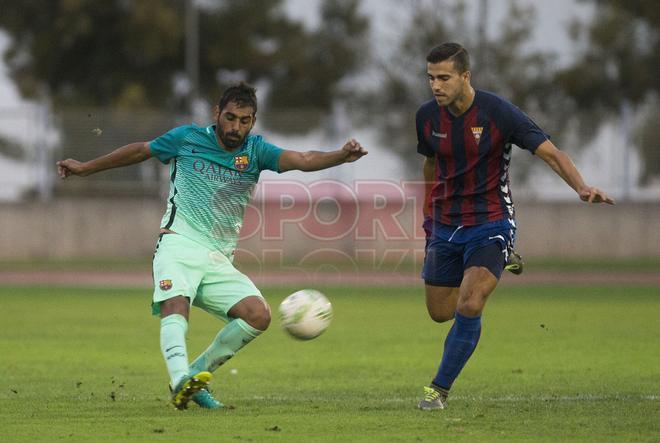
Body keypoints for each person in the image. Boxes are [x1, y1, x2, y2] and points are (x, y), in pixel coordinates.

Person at [56, 82, 367, 410]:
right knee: (176, 306)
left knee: (257, 315)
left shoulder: (257, 152)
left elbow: (302, 158)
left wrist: (340, 157)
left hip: (218, 258)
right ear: (216, 113)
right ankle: (179, 380)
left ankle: (194, 376)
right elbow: (139, 150)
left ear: (253, 121)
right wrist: (86, 168)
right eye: (230, 117)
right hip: (178, 243)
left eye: (245, 120)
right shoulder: (187, 138)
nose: (236, 127)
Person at [415, 43, 613, 410]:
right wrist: (428, 215)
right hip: (444, 225)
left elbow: (551, 152)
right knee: (441, 312)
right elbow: (430, 166)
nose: (436, 86)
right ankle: (493, 262)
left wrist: (582, 187)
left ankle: (437, 390)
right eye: (431, 78)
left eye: (444, 78)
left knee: (471, 302)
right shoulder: (426, 117)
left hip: (490, 221)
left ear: (465, 77)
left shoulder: (498, 113)